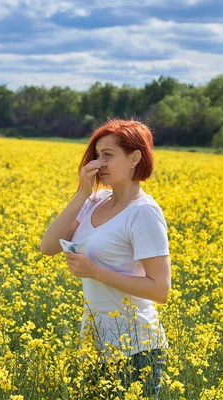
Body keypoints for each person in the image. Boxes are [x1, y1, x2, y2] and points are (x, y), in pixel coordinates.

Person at [40, 118, 171, 397]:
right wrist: (82, 191)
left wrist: (96, 271)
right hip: (94, 344)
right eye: (97, 156)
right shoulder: (94, 202)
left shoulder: (143, 212)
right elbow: (48, 246)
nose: (99, 165)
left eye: (108, 156)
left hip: (136, 349)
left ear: (135, 157)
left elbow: (160, 290)